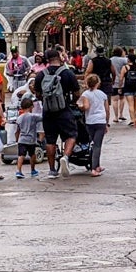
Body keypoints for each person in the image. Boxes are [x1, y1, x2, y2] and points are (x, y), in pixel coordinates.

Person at [37, 49, 81, 178]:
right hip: (64, 109)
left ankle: (52, 170)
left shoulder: (41, 75)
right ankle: (65, 157)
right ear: (59, 57)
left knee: (50, 140)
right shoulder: (67, 73)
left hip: (48, 111)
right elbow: (77, 92)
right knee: (71, 135)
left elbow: (38, 94)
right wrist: (72, 101)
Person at [79, 73, 109, 176]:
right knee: (97, 145)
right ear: (98, 83)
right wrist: (107, 122)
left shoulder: (85, 94)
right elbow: (107, 109)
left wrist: (81, 107)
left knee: (92, 143)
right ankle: (94, 168)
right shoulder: (102, 94)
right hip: (100, 120)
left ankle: (96, 165)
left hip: (90, 121)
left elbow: (86, 107)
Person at [14, 98, 43, 178]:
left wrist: (16, 139)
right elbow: (42, 118)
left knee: (21, 155)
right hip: (31, 140)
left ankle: (18, 171)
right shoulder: (33, 116)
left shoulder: (19, 118)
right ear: (31, 107)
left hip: (22, 140)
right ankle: (33, 170)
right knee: (32, 155)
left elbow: (17, 130)